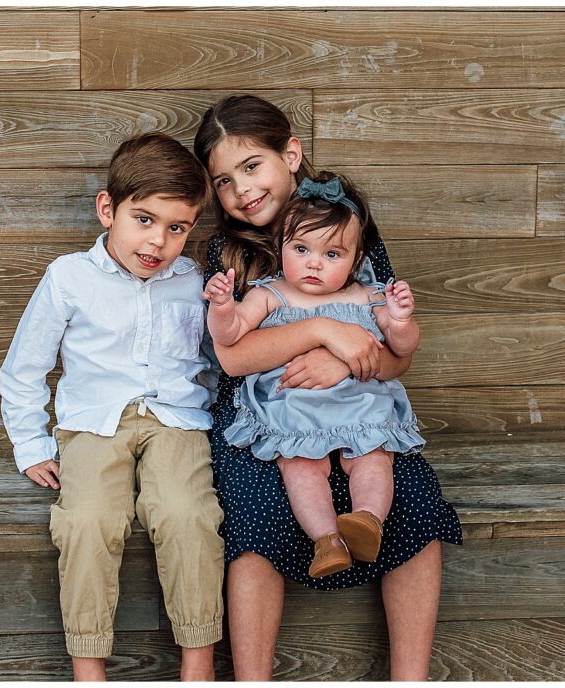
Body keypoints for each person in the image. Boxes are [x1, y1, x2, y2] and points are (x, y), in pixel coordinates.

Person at [193, 94, 463, 680]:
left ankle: (409, 677)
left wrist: (349, 363)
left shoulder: (353, 226)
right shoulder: (228, 251)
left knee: (413, 499)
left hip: (360, 405)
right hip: (259, 415)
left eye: (252, 166)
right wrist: (323, 332)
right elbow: (234, 360)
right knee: (258, 519)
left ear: (290, 156)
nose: (242, 190)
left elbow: (394, 360)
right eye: (223, 181)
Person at [0, 132, 224, 681]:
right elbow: (24, 367)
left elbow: (211, 360)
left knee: (187, 515)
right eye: (143, 219)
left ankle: (199, 662)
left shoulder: (192, 281)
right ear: (108, 209)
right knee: (89, 521)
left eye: (177, 228)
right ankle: (88, 663)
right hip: (93, 425)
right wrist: (31, 445)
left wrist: (218, 415)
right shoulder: (69, 278)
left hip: (176, 420)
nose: (157, 241)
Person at [203, 171, 425, 579]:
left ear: (357, 259)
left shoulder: (367, 294)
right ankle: (327, 541)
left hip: (359, 405)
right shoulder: (270, 293)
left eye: (332, 255)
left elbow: (402, 348)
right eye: (301, 248)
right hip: (295, 409)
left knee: (374, 460)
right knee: (302, 469)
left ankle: (368, 521)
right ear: (281, 246)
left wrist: (400, 320)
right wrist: (221, 308)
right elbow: (231, 336)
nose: (313, 264)